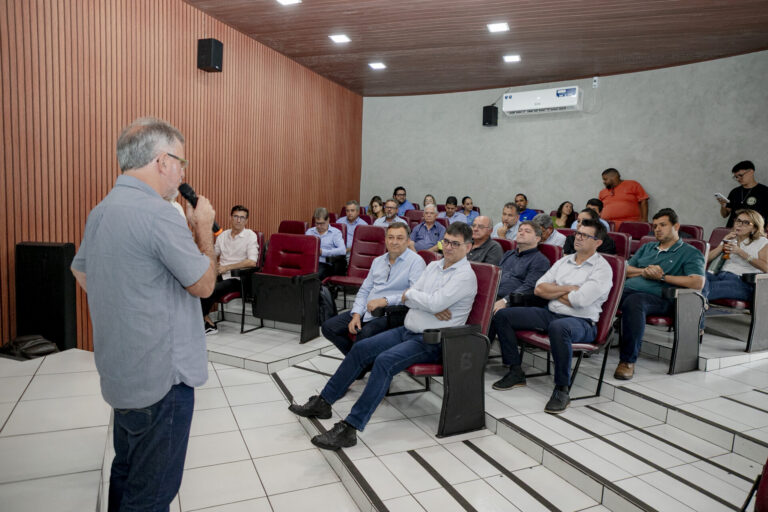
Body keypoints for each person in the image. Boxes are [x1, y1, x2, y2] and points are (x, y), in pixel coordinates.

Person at [70, 117, 216, 511]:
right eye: (181, 162)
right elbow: (203, 285)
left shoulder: (102, 209)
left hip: (123, 370)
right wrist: (203, 229)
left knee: (127, 469)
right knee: (151, 495)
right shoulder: (159, 213)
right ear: (161, 160)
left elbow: (80, 271)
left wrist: (132, 303)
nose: (183, 172)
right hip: (162, 379)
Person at [288, 223, 477, 450]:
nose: (448, 247)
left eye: (455, 244)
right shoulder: (435, 266)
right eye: (446, 241)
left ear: (468, 247)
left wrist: (419, 298)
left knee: (384, 362)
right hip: (408, 330)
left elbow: (426, 299)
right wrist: (422, 298)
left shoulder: (465, 276)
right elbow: (414, 295)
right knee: (361, 348)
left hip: (433, 340)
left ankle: (350, 428)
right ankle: (324, 402)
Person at [490, 219, 612, 413]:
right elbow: (539, 289)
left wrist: (554, 291)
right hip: (551, 313)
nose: (578, 238)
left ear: (597, 242)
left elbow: (580, 301)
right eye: (578, 234)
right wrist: (567, 290)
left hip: (581, 322)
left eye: (585, 235)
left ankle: (562, 389)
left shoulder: (602, 269)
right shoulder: (565, 261)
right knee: (503, 315)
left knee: (559, 327)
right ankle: (515, 371)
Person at [614, 208, 705, 380]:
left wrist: (662, 276)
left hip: (663, 298)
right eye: (655, 226)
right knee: (603, 291)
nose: (657, 229)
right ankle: (584, 339)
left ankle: (627, 361)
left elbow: (697, 282)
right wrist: (645, 272)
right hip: (628, 291)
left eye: (663, 225)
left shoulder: (690, 252)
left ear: (676, 226)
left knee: (635, 302)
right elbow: (626, 269)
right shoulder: (647, 247)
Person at [321, 223, 425, 355]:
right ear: (385, 239)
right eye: (390, 237)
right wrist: (356, 314)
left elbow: (414, 295)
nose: (394, 242)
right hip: (367, 309)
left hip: (391, 312)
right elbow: (364, 290)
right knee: (328, 327)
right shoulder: (378, 261)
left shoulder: (416, 262)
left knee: (364, 334)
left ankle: (357, 362)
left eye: (399, 238)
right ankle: (359, 361)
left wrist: (385, 300)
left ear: (408, 241)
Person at [200, 205, 260, 334]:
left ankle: (206, 323)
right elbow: (212, 255)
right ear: (231, 218)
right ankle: (205, 320)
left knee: (211, 289)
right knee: (198, 284)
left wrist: (227, 267)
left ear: (246, 220)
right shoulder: (223, 235)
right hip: (221, 274)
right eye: (236, 216)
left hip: (239, 278)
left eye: (242, 218)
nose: (239, 220)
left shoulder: (250, 236)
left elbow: (252, 262)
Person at [705, 209, 768, 301]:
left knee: (707, 289)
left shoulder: (762, 242)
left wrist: (740, 252)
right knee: (694, 275)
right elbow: (704, 260)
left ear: (754, 228)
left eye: (746, 222)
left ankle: (696, 307)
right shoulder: (731, 238)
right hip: (719, 275)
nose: (739, 224)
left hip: (742, 282)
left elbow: (766, 267)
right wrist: (722, 245)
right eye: (738, 220)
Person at [492, 221, 551, 307]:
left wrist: (506, 300)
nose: (521, 233)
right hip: (492, 295)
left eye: (527, 231)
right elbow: (495, 276)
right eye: (520, 230)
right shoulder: (509, 254)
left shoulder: (540, 260)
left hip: (513, 302)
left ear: (537, 239)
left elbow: (529, 287)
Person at [719, 161, 768, 227]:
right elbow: (724, 215)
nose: (739, 179)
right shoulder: (734, 192)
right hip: (733, 231)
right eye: (736, 177)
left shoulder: (765, 191)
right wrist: (723, 205)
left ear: (751, 172)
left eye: (740, 175)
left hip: (754, 232)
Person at [306, 207, 346, 280]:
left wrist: (323, 252)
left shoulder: (335, 233)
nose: (318, 226)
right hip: (310, 263)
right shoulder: (309, 232)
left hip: (326, 264)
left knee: (313, 277)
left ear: (328, 220)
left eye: (321, 223)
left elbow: (343, 250)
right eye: (317, 223)